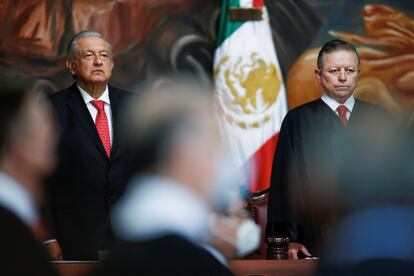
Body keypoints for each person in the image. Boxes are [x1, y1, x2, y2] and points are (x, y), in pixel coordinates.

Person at [266, 39, 394, 259]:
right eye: (334, 70)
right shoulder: (298, 120)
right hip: (314, 241)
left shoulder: (380, 119)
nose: (343, 77)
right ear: (318, 75)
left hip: (376, 241)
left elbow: (395, 182)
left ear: (358, 73)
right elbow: (285, 182)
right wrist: (288, 239)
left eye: (349, 70)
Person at [95, 82, 235, 275]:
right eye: (215, 147)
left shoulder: (121, 254)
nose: (223, 162)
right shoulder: (194, 265)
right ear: (185, 154)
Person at [44, 30, 134, 260]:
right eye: (89, 55)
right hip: (74, 237)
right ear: (71, 65)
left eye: (104, 56)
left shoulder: (135, 106)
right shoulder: (49, 110)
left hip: (130, 236)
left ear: (111, 65)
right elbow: (40, 179)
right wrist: (48, 237)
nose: (98, 61)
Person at [0, 86, 58, 275]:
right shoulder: (9, 234)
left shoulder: (24, 219)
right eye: (47, 123)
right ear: (19, 143)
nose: (57, 133)